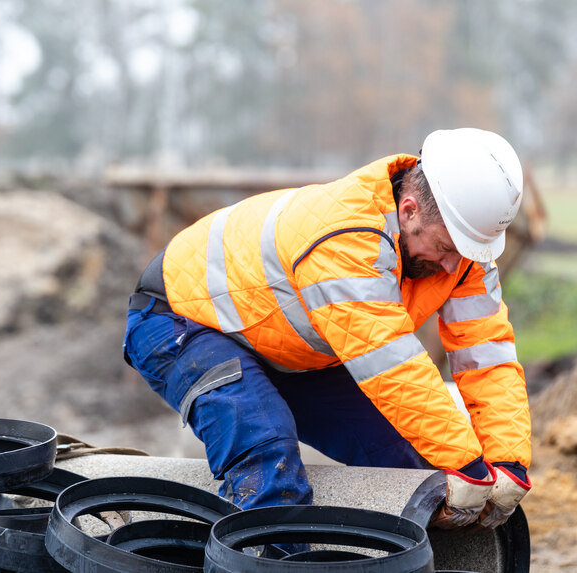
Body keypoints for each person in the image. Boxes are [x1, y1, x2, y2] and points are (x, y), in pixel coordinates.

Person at [123, 128, 532, 531]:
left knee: (414, 466)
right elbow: (392, 366)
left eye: (461, 254)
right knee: (268, 457)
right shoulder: (345, 237)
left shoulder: (462, 253)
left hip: (285, 342)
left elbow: (488, 356)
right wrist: (469, 468)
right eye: (444, 249)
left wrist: (507, 462)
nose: (450, 266)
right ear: (409, 211)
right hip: (180, 321)